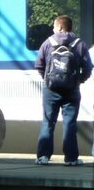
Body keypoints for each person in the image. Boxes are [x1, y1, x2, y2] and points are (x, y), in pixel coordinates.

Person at [34, 14, 91, 166]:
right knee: (70, 123)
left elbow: (39, 65)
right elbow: (88, 68)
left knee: (48, 121)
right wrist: (79, 80)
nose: (53, 29)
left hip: (50, 89)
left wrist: (48, 79)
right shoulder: (80, 44)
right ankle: (71, 158)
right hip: (72, 90)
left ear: (59, 27)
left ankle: (43, 157)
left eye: (54, 26)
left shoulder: (48, 42)